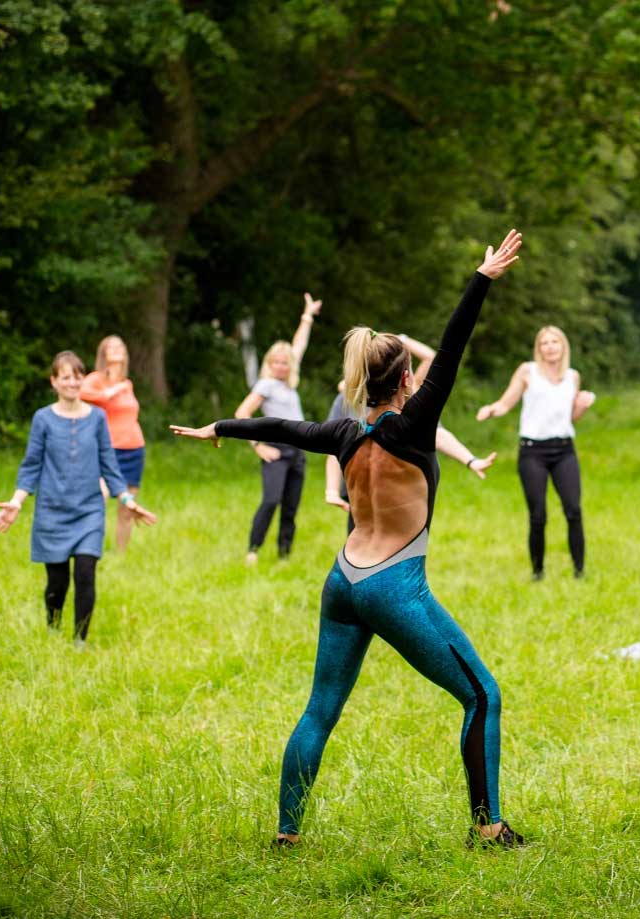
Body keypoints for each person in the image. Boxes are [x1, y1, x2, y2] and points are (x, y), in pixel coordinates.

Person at [171, 229, 527, 848]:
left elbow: (281, 424)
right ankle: (488, 827)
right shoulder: (414, 425)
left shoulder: (343, 434)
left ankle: (288, 832)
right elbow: (454, 345)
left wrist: (221, 427)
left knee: (320, 709)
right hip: (394, 585)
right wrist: (481, 281)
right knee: (483, 696)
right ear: (407, 379)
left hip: (343, 581)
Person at [0, 352, 157, 648]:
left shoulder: (97, 418)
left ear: (84, 378)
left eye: (78, 375)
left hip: (89, 511)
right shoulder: (43, 418)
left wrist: (127, 500)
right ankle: (53, 628)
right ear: (54, 381)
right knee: (57, 582)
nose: (72, 382)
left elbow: (109, 465)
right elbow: (31, 465)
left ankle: (80, 641)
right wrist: (17, 502)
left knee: (85, 573)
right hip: (52, 511)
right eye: (65, 377)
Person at [325, 335, 496, 530]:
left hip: (399, 499)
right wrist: (331, 490)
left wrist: (471, 460)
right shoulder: (346, 400)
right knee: (362, 544)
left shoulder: (411, 404)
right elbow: (334, 448)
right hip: (361, 495)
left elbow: (438, 435)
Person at [476, 326, 596, 580]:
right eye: (544, 343)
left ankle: (579, 571)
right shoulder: (528, 371)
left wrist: (582, 407)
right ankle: (538, 572)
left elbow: (570, 419)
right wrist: (491, 409)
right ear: (538, 348)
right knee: (538, 514)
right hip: (533, 452)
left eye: (555, 342)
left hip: (564, 450)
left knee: (573, 509)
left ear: (564, 346)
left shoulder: (573, 376)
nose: (550, 346)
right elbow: (506, 402)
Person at [234, 293, 321, 564]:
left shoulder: (288, 383)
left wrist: (307, 316)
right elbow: (242, 413)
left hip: (298, 451)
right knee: (271, 500)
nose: (282, 366)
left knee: (290, 506)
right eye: (277, 362)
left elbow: (299, 345)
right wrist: (258, 446)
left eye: (285, 363)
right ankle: (253, 549)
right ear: (269, 364)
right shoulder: (266, 385)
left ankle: (284, 555)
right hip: (276, 451)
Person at [80, 335, 146, 553]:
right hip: (108, 449)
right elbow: (81, 393)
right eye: (112, 347)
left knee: (127, 507)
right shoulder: (96, 379)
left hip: (134, 448)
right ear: (104, 354)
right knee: (101, 497)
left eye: (121, 346)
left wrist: (121, 387)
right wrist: (113, 390)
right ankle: (89, 548)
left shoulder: (128, 383)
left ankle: (121, 555)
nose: (118, 349)